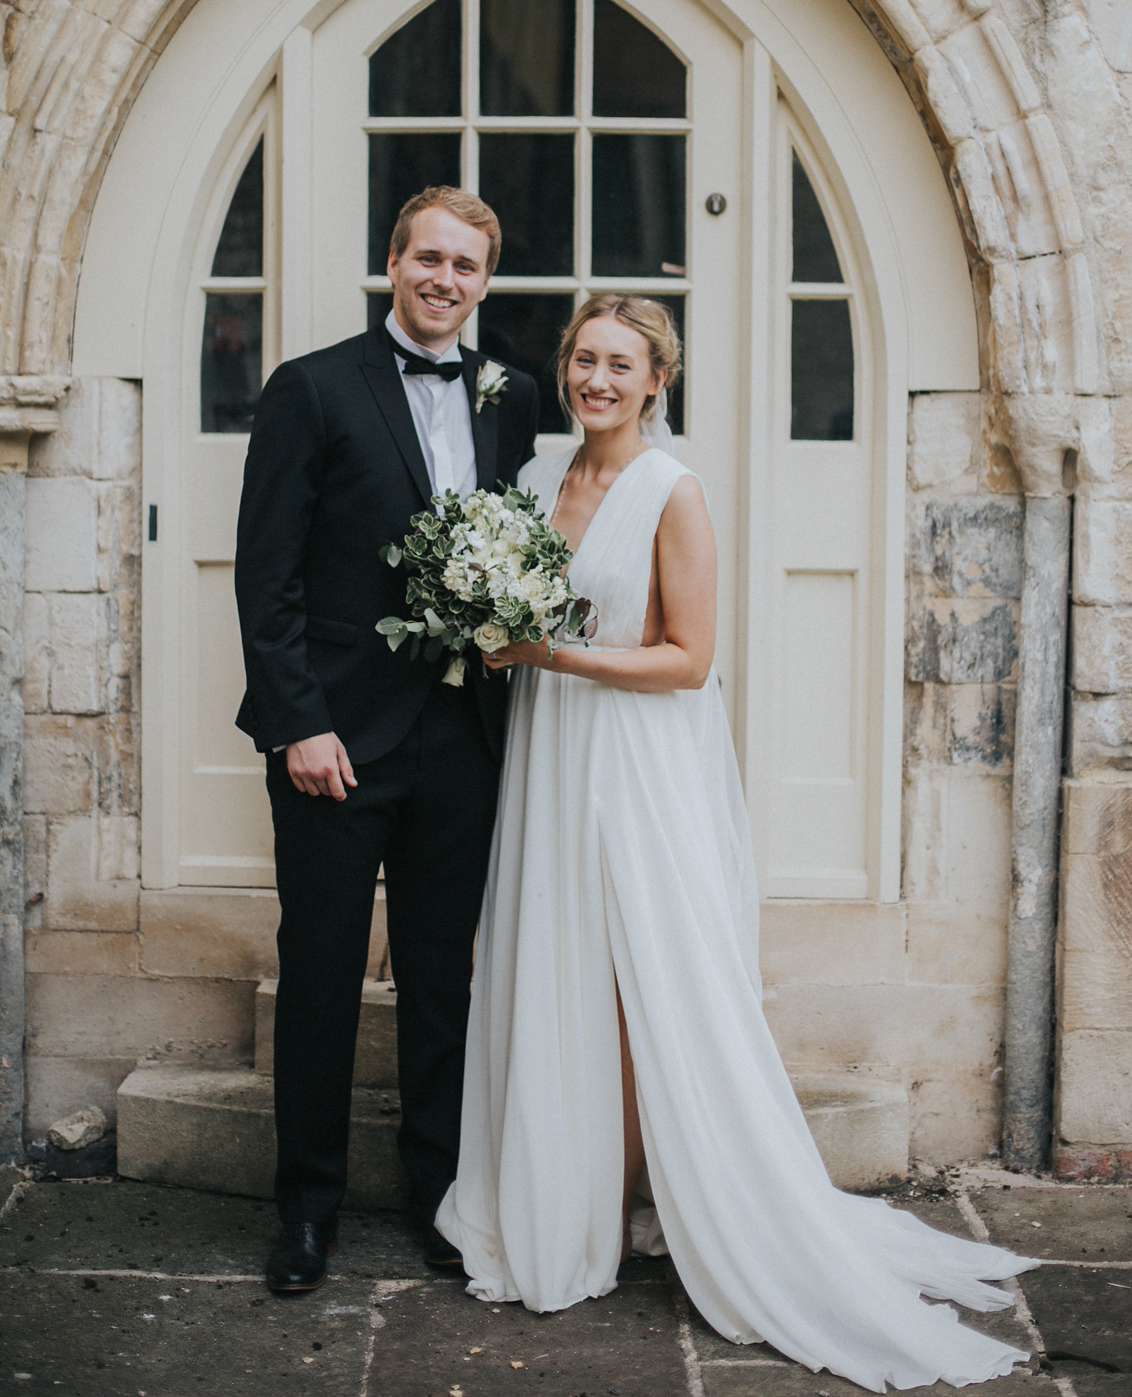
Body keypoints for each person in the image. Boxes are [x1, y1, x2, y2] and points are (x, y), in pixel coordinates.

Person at [436, 293, 1038, 1393]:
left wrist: (548, 655)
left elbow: (689, 659)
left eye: (620, 364)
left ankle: (621, 1207)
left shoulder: (675, 491)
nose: (597, 380)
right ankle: (567, 1204)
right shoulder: (532, 483)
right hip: (548, 760)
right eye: (584, 359)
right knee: (557, 965)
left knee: (642, 980)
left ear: (656, 380)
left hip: (633, 761)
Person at [234, 186, 539, 1294]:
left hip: (461, 734)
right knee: (317, 976)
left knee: (439, 982)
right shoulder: (312, 388)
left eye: (466, 266)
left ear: (484, 283)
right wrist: (298, 722)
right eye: (428, 259)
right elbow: (265, 575)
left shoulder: (513, 397)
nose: (444, 280)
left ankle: (440, 1197)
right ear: (393, 263)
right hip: (336, 740)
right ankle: (304, 1211)